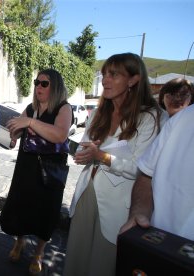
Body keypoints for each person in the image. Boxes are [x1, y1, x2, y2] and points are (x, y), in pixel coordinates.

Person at [63, 53, 167, 276]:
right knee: (75, 261)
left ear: (133, 80)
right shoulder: (100, 112)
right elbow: (85, 146)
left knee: (102, 265)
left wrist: (101, 156)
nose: (105, 80)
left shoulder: (152, 118)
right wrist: (84, 154)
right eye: (104, 75)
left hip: (118, 205)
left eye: (113, 74)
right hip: (85, 193)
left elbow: (141, 169)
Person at [0, 69, 73, 275]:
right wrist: (14, 134)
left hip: (49, 172)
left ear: (55, 86)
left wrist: (30, 122)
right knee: (21, 206)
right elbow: (17, 128)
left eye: (44, 83)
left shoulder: (63, 108)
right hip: (26, 168)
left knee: (45, 211)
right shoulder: (31, 107)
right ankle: (19, 242)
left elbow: (59, 135)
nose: (38, 87)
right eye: (36, 82)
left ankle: (39, 252)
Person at [120, 104, 194, 240]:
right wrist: (139, 212)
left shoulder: (154, 117)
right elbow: (146, 176)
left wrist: (103, 157)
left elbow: (135, 166)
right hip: (160, 243)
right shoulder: (182, 119)